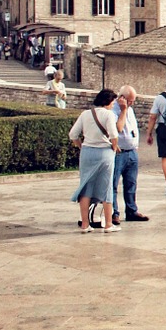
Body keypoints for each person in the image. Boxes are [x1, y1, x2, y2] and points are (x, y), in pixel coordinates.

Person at [69, 88, 120, 233]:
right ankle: (109, 224)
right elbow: (113, 135)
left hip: (87, 152)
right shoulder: (109, 115)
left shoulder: (85, 114)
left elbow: (73, 134)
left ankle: (85, 224)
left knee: (86, 187)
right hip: (105, 152)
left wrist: (81, 146)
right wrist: (114, 148)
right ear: (108, 101)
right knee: (107, 186)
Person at [111, 86, 148, 223]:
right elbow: (118, 129)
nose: (131, 103)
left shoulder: (130, 110)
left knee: (131, 183)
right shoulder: (115, 110)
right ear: (121, 98)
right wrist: (123, 109)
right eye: (129, 100)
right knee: (113, 183)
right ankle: (114, 212)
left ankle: (132, 210)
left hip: (131, 151)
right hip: (119, 152)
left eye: (132, 101)